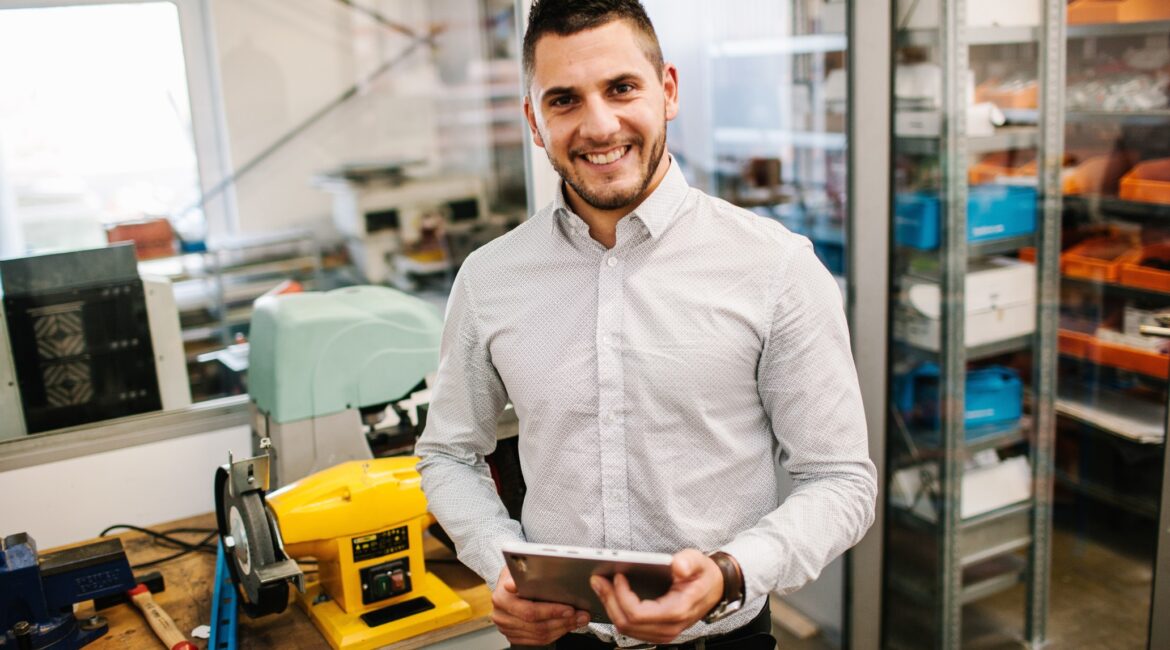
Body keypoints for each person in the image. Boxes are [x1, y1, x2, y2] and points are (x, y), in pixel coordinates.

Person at [415, 1, 877, 647]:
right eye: (564, 100)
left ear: (667, 91)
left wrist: (729, 574)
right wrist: (502, 563)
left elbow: (841, 481)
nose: (599, 126)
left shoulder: (775, 267)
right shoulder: (490, 279)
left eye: (622, 88)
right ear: (534, 120)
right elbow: (447, 453)